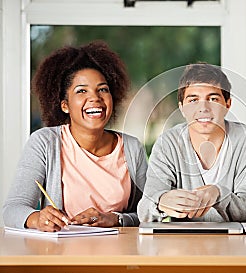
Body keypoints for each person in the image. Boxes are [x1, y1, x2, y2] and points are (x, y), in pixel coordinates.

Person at [3, 41, 147, 231]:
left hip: (119, 255)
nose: (95, 97)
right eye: (81, 91)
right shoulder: (45, 142)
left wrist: (116, 219)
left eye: (103, 89)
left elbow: (147, 213)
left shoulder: (131, 147)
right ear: (65, 105)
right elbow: (12, 209)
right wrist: (36, 218)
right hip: (62, 255)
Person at [138, 63, 246, 222]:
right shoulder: (168, 143)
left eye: (213, 99)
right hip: (183, 242)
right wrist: (160, 202)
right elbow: (144, 210)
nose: (203, 108)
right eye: (193, 100)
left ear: (227, 105)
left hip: (235, 241)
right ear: (182, 108)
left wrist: (219, 194)